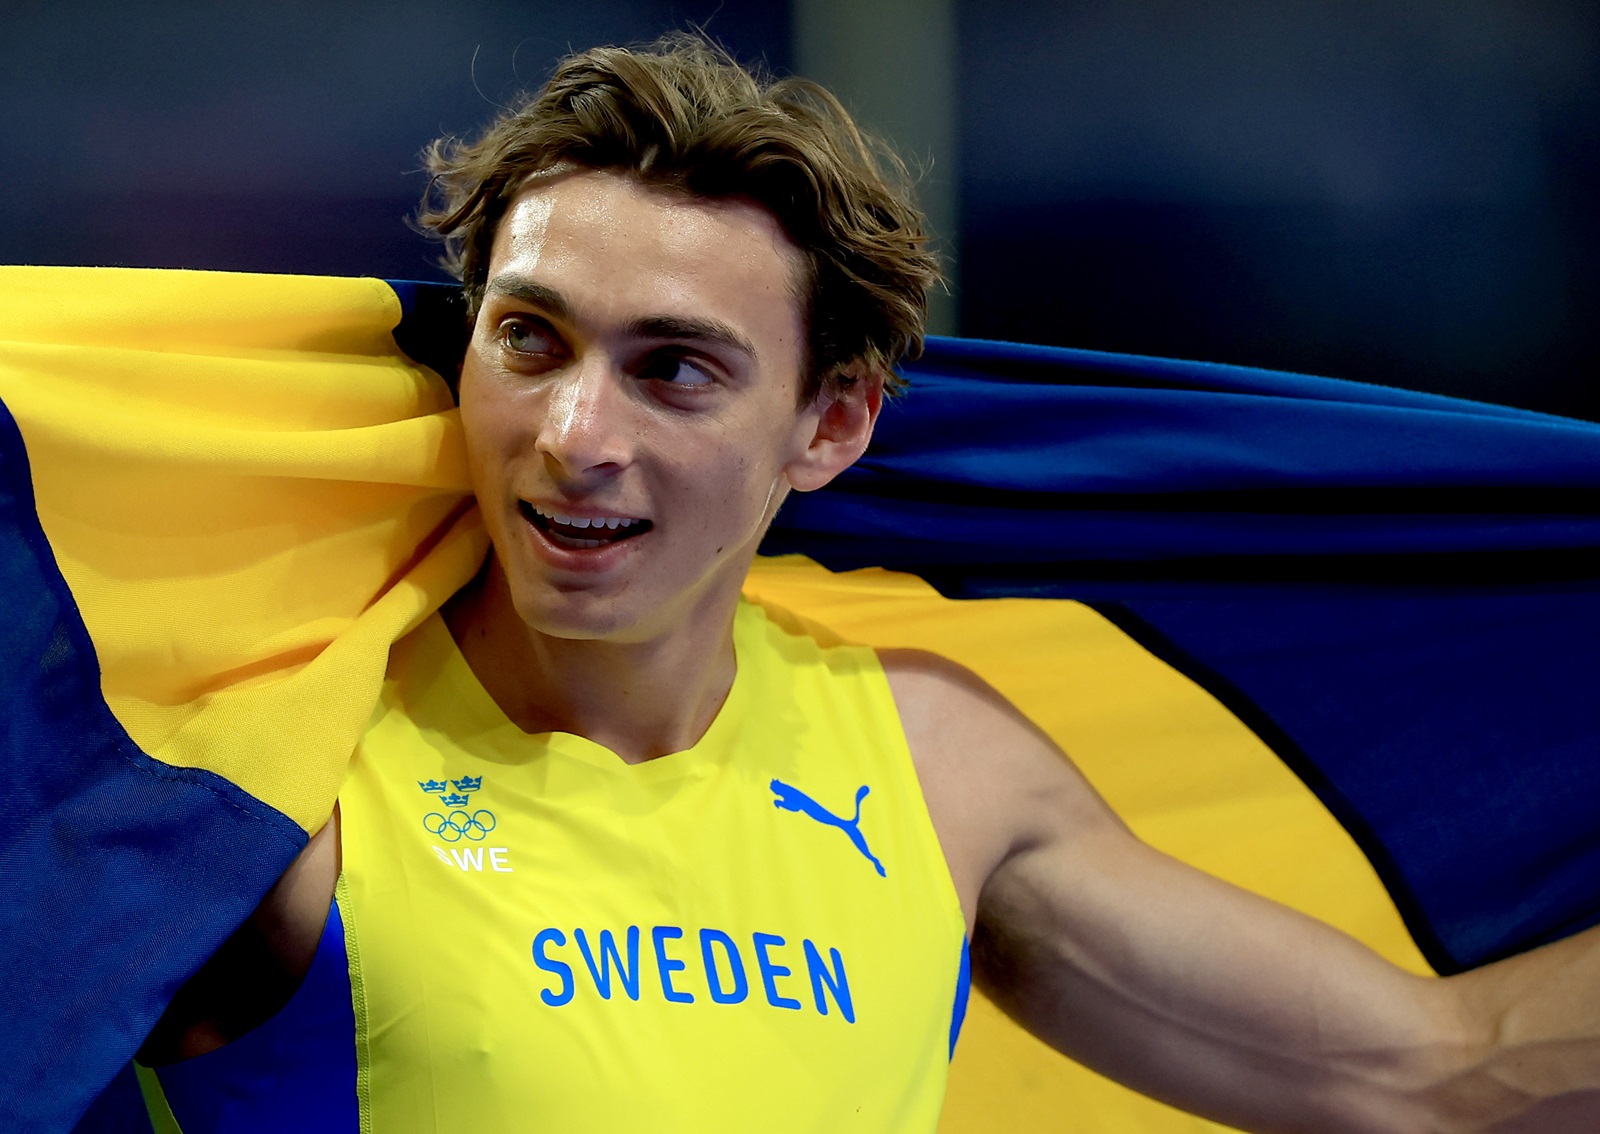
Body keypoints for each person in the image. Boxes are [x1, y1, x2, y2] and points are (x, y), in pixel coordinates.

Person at [132, 33, 1600, 1133]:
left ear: (829, 424)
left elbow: (1432, 1069)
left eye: (675, 368)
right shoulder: (279, 762)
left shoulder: (936, 766)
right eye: (531, 339)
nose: (577, 436)